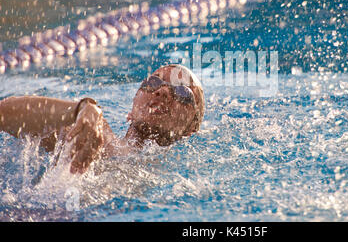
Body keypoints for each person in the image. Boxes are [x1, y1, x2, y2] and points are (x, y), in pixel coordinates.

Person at [0, 64, 205, 174]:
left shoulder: (191, 177)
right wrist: (79, 109)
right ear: (131, 111)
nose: (161, 91)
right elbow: (4, 114)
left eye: (182, 92)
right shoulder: (94, 135)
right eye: (153, 81)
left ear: (191, 129)